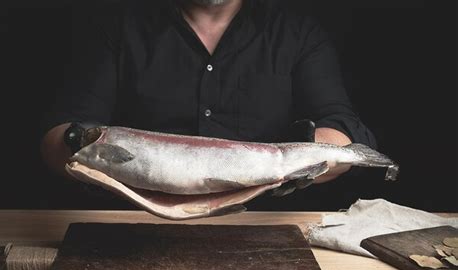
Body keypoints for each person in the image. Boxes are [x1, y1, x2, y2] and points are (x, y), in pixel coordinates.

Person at [41, 0, 376, 188]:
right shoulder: (116, 26)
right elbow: (56, 136)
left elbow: (342, 126)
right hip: (135, 226)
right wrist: (88, 146)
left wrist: (303, 162)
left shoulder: (298, 32)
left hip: (263, 228)